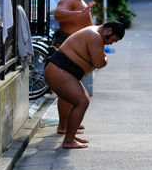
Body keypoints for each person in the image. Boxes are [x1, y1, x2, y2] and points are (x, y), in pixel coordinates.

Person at [44, 21, 125, 149]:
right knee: (82, 101)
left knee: (71, 99)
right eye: (113, 40)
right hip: (59, 70)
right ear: (109, 31)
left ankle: (66, 129)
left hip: (63, 71)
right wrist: (105, 58)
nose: (110, 43)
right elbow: (99, 63)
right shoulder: (95, 36)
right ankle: (69, 141)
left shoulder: (94, 33)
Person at [52, 0, 96, 134]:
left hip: (76, 51)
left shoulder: (77, 0)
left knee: (73, 89)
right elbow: (58, 14)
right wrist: (80, 13)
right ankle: (63, 125)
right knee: (67, 90)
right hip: (68, 50)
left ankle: (70, 121)